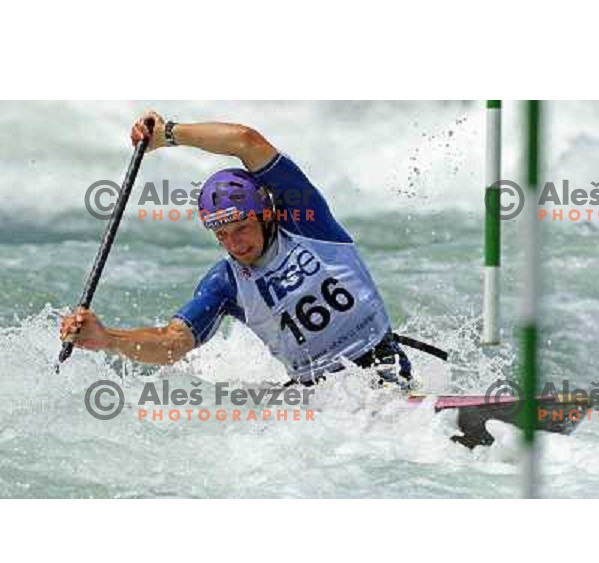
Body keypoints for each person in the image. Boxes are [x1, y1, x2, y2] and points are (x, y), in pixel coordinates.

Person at [60, 111, 412, 387]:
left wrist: (168, 134)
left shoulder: (309, 224)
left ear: (267, 213)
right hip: (322, 401)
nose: (234, 243)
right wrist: (107, 338)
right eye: (221, 235)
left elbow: (246, 141)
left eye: (241, 227)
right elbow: (173, 342)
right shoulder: (226, 283)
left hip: (384, 371)